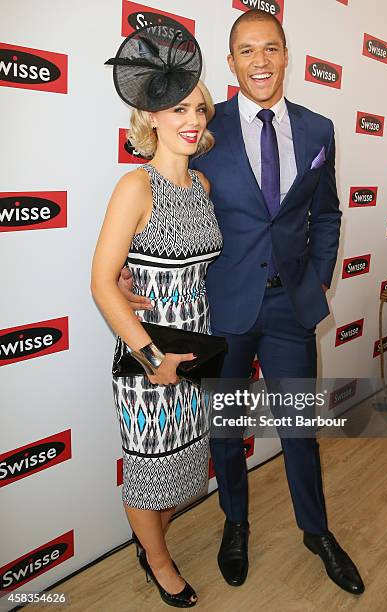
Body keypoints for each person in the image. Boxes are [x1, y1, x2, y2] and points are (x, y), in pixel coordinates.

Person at [119, 10, 365, 595]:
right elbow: (171, 193)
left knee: (299, 429)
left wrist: (320, 278)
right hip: (221, 311)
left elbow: (326, 212)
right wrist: (131, 263)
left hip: (291, 310)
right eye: (247, 51)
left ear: (286, 54)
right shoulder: (205, 126)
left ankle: (317, 531)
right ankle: (235, 524)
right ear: (230, 63)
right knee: (227, 430)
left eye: (271, 48)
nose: (260, 61)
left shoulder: (318, 129)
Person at [91, 26, 222, 607]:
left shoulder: (203, 184)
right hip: (148, 357)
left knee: (182, 464)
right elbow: (102, 283)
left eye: (199, 107)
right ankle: (157, 559)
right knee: (148, 471)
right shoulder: (133, 187)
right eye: (177, 108)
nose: (191, 119)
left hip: (192, 347)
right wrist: (151, 358)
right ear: (151, 118)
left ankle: (155, 542)